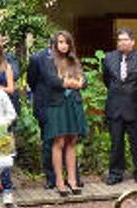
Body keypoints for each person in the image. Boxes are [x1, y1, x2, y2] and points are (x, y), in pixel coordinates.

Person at [43, 31, 87, 197]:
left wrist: (77, 83)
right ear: (55, 44)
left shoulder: (73, 60)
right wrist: (69, 83)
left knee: (72, 140)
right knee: (59, 141)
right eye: (60, 42)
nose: (63, 45)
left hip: (73, 103)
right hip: (57, 104)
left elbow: (84, 81)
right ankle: (59, 182)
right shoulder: (49, 61)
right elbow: (52, 81)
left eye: (66, 42)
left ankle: (72, 180)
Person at [103, 28, 137, 185]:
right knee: (116, 143)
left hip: (135, 107)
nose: (122, 42)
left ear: (132, 42)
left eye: (125, 39)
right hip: (115, 107)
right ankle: (115, 173)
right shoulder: (108, 58)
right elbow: (107, 80)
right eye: (120, 40)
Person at [26, 35, 60, 188]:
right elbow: (31, 81)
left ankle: (70, 176)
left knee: (66, 141)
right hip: (45, 104)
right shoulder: (37, 58)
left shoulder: (68, 58)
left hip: (63, 106)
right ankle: (51, 178)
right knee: (49, 142)